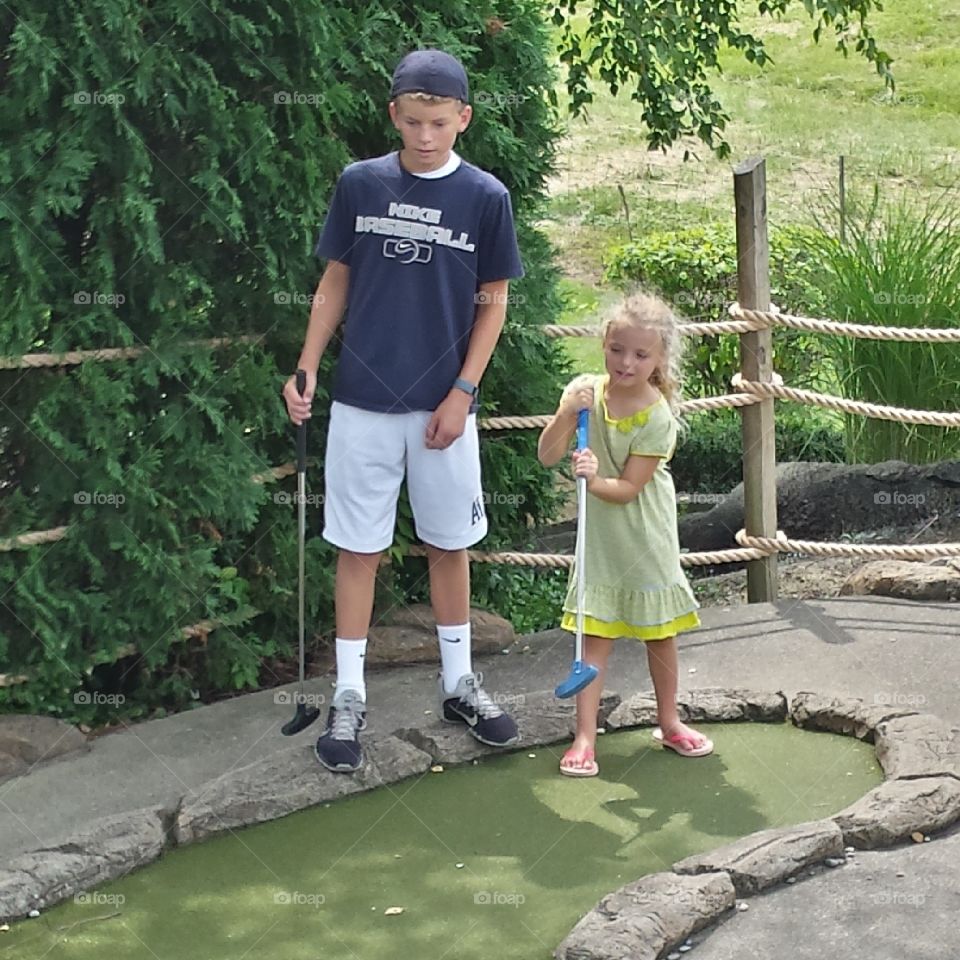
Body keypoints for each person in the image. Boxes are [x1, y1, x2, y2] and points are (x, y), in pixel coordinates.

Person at [282, 49, 524, 773]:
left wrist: (462, 392)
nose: (426, 137)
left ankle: (459, 684)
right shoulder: (361, 183)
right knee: (359, 549)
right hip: (361, 400)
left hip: (443, 410)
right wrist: (307, 364)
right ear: (394, 116)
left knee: (450, 544)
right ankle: (348, 696)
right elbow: (336, 280)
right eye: (414, 122)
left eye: (440, 123)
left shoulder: (486, 196)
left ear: (464, 120)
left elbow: (495, 301)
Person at [537, 291, 713, 777]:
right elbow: (547, 455)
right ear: (604, 343)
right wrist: (566, 414)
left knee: (661, 634)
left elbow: (629, 488)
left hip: (645, 533)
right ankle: (585, 736)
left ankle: (670, 721)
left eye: (640, 354)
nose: (625, 362)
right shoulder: (584, 394)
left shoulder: (657, 416)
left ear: (659, 359)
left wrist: (592, 480)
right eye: (617, 349)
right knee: (594, 637)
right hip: (601, 542)